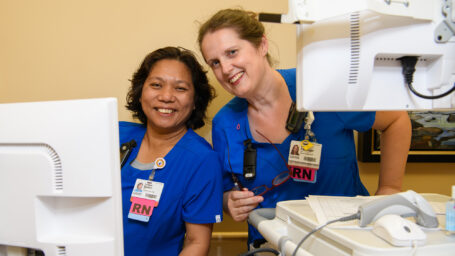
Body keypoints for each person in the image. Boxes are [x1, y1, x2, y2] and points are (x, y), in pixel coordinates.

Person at [197, 9, 412, 249]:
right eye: (215, 62)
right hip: (274, 244)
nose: (225, 69)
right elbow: (227, 189)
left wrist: (389, 189)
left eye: (232, 52)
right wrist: (229, 202)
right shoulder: (225, 124)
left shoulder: (321, 88)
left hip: (344, 241)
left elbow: (396, 121)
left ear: (261, 45)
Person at [119, 46, 223, 256]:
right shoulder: (114, 134)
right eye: (156, 85)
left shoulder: (202, 161)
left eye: (180, 88)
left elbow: (196, 243)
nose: (166, 96)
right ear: (140, 93)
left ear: (195, 101)